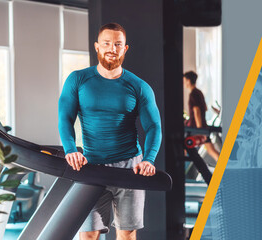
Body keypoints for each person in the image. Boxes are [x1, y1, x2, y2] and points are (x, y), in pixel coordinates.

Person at [58, 22, 162, 240]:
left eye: (117, 44)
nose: (111, 48)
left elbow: (153, 126)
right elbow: (65, 119)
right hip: (91, 167)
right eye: (106, 43)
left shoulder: (139, 86)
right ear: (97, 46)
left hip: (129, 168)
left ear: (125, 49)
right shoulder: (78, 80)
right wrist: (70, 150)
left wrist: (149, 159)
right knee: (87, 235)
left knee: (127, 235)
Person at [184, 71, 220, 162]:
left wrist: (199, 130)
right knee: (211, 151)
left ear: (188, 81)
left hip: (195, 127)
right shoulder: (199, 92)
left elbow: (197, 111)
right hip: (202, 125)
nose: (183, 83)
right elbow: (205, 108)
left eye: (184, 80)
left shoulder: (193, 94)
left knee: (183, 145)